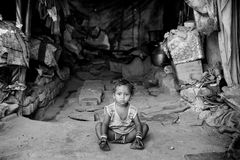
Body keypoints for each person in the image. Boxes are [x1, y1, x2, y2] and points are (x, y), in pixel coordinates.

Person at [95, 79, 149, 151]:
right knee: (99, 126)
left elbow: (138, 124)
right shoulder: (110, 109)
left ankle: (136, 142)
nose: (122, 97)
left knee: (145, 126)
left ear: (131, 96)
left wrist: (138, 136)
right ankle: (103, 141)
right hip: (113, 135)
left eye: (126, 94)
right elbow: (105, 123)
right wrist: (104, 136)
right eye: (119, 94)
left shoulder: (133, 110)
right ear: (114, 95)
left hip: (129, 136)